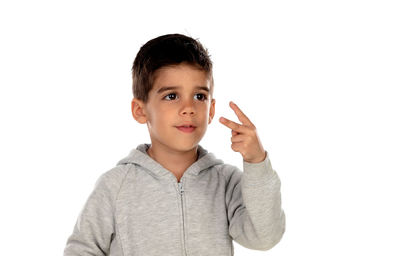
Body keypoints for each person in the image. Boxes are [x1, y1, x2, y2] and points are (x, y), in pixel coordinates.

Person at [63, 33, 285, 256]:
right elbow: (81, 250)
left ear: (212, 110)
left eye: (199, 96)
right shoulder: (115, 186)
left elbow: (264, 238)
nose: (188, 108)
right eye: (172, 96)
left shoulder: (226, 183)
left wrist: (257, 163)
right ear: (140, 111)